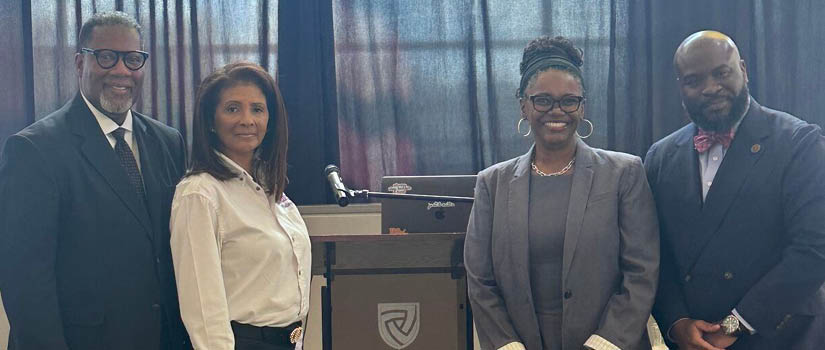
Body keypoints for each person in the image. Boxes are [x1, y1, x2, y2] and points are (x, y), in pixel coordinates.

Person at [0, 11, 189, 350]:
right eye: (106, 57)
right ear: (78, 63)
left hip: (164, 339)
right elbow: (26, 284)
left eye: (133, 59)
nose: (121, 71)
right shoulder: (33, 149)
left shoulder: (168, 142)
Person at [464, 35, 660, 350]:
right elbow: (480, 281)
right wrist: (508, 345)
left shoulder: (624, 173)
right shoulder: (492, 183)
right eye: (543, 100)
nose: (557, 111)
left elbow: (641, 272)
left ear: (582, 108)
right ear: (524, 107)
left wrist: (603, 344)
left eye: (569, 100)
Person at [645, 30, 825, 350]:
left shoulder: (800, 142)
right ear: (680, 87)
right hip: (694, 341)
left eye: (721, 73)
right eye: (693, 80)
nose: (710, 88)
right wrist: (676, 323)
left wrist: (734, 324)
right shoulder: (660, 157)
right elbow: (654, 255)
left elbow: (814, 251)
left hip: (780, 335)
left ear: (743, 69)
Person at [170, 62, 310, 350]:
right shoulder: (199, 193)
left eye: (257, 109)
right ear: (211, 120)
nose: (247, 120)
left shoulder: (268, 187)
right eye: (233, 109)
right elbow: (202, 308)